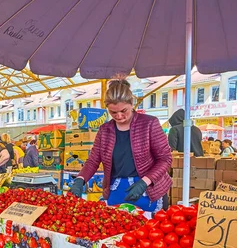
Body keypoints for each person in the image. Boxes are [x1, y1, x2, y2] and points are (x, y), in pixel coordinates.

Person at [69, 79, 172, 211]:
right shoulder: (104, 130)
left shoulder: (149, 124)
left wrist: (145, 182)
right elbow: (93, 160)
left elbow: (165, 159)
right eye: (113, 112)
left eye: (124, 110)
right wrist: (80, 179)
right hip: (115, 190)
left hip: (148, 190)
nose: (119, 116)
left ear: (132, 103)